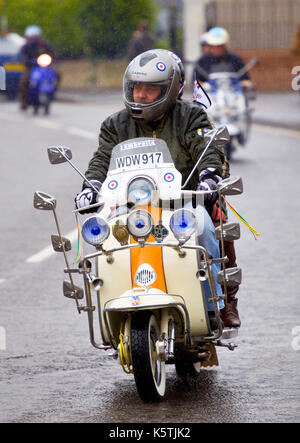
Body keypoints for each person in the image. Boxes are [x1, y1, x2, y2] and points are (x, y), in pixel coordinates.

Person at [75, 49, 241, 328]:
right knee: (96, 231)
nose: (140, 95)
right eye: (136, 87)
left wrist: (210, 177)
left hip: (182, 201)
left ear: (171, 90)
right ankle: (105, 294)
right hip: (130, 203)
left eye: (150, 89)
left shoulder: (191, 117)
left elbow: (208, 150)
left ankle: (219, 303)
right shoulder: (115, 124)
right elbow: (102, 158)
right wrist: (90, 185)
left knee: (205, 227)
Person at [18, 25, 54, 110]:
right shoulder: (26, 46)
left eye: (35, 37)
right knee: (24, 81)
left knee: (57, 75)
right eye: (31, 37)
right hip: (31, 67)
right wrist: (27, 61)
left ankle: (53, 90)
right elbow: (21, 55)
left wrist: (54, 57)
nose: (33, 39)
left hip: (44, 67)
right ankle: (24, 102)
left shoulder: (44, 44)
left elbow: (53, 52)